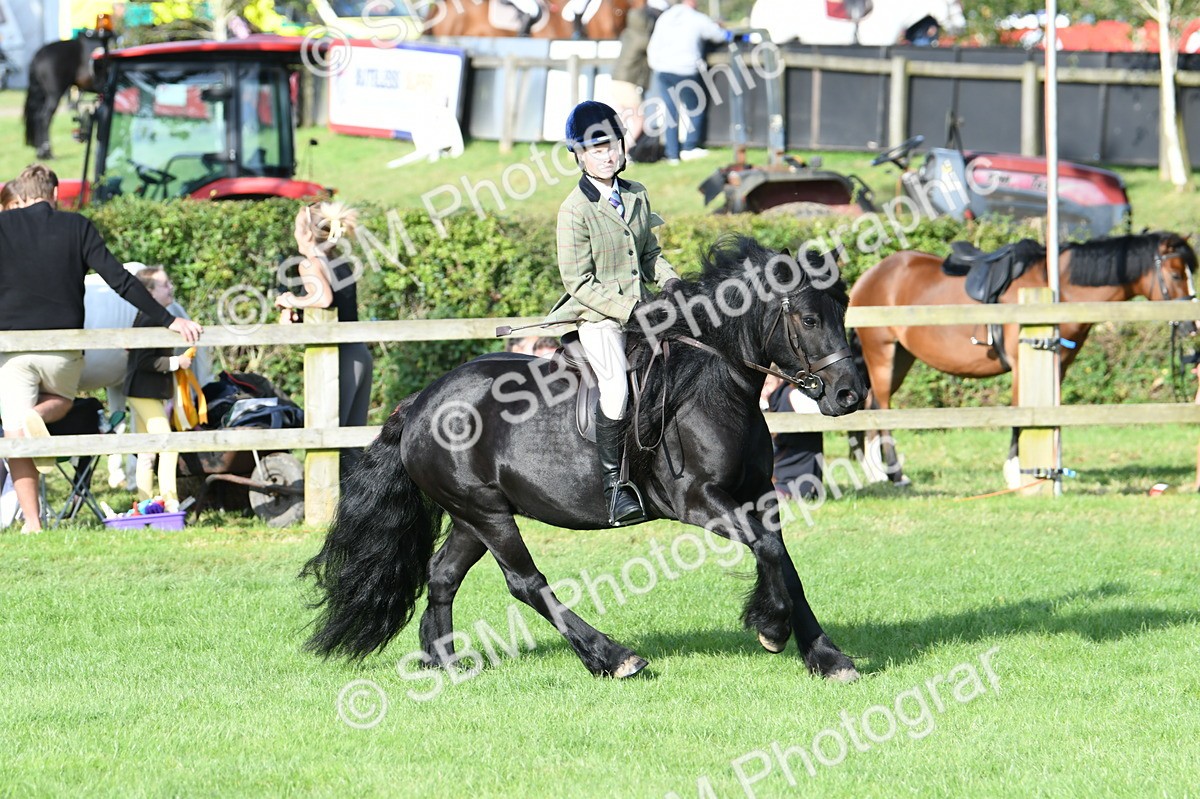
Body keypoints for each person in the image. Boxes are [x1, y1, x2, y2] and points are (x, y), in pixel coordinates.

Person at [0, 164, 201, 532]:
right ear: (55, 195)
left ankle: (32, 522)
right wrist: (168, 319)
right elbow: (120, 279)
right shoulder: (77, 226)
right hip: (63, 350)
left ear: (20, 195)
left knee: (13, 434)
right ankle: (41, 415)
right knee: (61, 399)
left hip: (11, 349)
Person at [544, 100, 680, 526]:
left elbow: (650, 254)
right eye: (595, 149)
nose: (606, 155)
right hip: (598, 318)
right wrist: (631, 308)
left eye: (611, 145)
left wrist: (674, 283)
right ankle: (615, 488)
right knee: (617, 391)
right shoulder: (574, 210)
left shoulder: (636, 194)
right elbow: (578, 282)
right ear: (580, 156)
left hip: (643, 310)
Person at [275, 200, 373, 471]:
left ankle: (328, 509)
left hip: (338, 358)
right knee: (351, 446)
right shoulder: (338, 261)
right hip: (359, 355)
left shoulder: (309, 264)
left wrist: (291, 300)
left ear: (306, 233)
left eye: (296, 227)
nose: (294, 234)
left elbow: (323, 297)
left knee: (331, 443)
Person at [123, 266, 193, 513]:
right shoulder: (152, 318)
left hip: (141, 391)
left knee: (147, 451)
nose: (171, 287)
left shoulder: (147, 315)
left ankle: (144, 503)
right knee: (167, 443)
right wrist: (177, 362)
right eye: (165, 284)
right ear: (149, 292)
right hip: (144, 392)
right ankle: (170, 501)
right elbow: (144, 361)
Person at [645, 0, 728, 164]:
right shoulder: (697, 18)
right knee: (695, 108)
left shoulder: (665, 17)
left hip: (663, 70)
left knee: (670, 112)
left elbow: (653, 45)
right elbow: (718, 35)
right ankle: (689, 147)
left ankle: (672, 154)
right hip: (686, 71)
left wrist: (657, 66)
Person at [609, 0, 668, 148]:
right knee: (638, 121)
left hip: (619, 80)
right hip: (627, 83)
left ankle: (617, 150)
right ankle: (624, 152)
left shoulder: (630, 33)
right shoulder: (643, 39)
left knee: (623, 119)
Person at [760, 373, 825, 500]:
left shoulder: (794, 396)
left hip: (798, 482)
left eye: (768, 384)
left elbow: (821, 413)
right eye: (761, 386)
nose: (764, 391)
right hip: (780, 480)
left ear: (779, 379)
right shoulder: (771, 402)